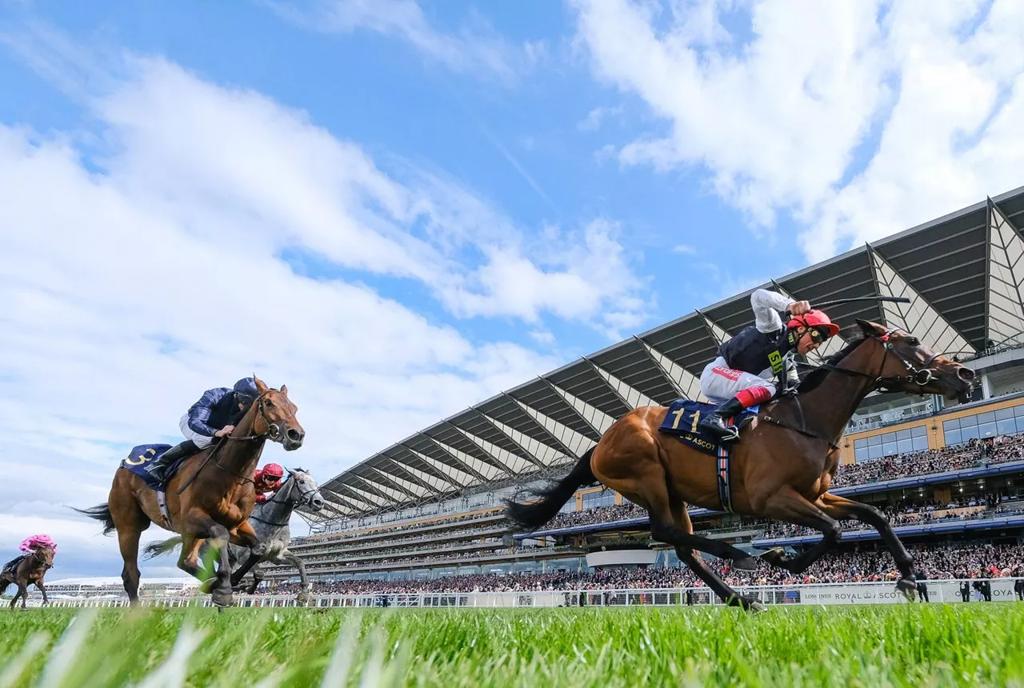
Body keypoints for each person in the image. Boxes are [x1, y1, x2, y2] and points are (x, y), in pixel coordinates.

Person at [698, 289, 840, 441]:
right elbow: (757, 296)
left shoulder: (788, 361)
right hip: (715, 375)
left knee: (775, 396)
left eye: (822, 341)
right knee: (768, 388)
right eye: (816, 336)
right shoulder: (773, 327)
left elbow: (795, 390)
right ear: (800, 328)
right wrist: (790, 305)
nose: (817, 344)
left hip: (726, 393)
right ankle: (715, 417)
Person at [147, 377, 261, 483]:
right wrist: (216, 432)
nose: (244, 406)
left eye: (250, 404)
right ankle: (159, 464)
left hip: (219, 429)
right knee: (207, 440)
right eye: (244, 401)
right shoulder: (215, 395)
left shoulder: (247, 408)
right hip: (192, 423)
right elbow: (195, 422)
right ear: (236, 394)